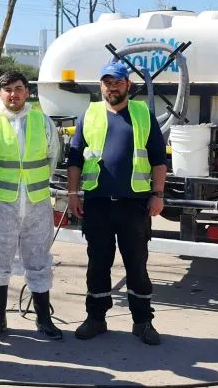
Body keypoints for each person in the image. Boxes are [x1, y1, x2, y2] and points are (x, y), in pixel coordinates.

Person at [65, 60, 168, 346]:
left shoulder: (143, 114)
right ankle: (96, 318)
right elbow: (74, 158)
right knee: (98, 264)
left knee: (136, 265)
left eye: (118, 82)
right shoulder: (91, 113)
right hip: (97, 203)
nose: (112, 87)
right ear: (101, 86)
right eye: (107, 82)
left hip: (133, 205)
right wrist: (73, 195)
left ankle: (143, 321)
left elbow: (159, 159)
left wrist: (158, 195)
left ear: (128, 86)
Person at [0, 71, 63, 340]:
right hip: (1, 204)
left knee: (39, 259)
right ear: (0, 93)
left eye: (18, 88)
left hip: (36, 203)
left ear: (27, 92)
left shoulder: (42, 122)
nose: (13, 94)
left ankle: (43, 320)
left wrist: (34, 184)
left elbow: (52, 157)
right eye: (7, 89)